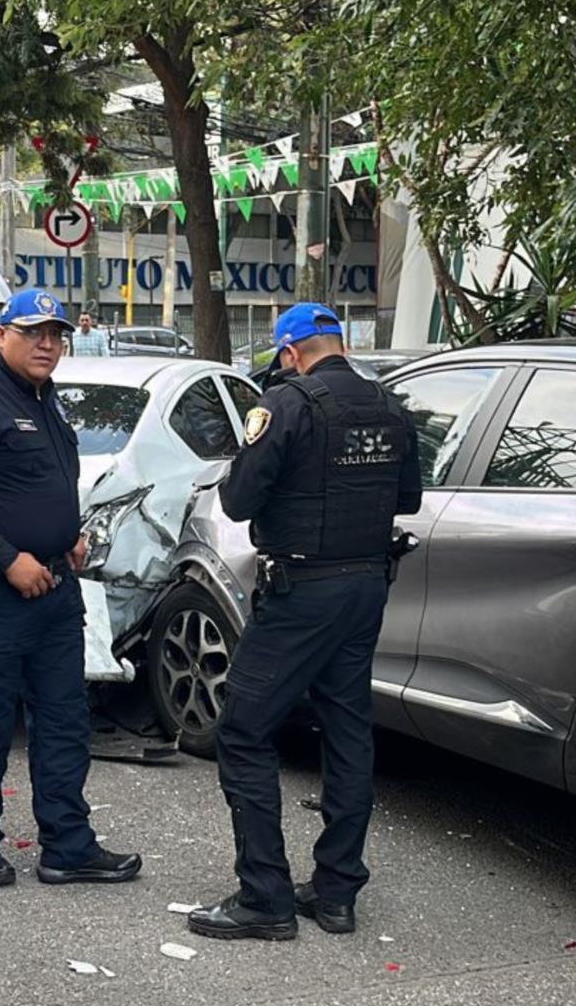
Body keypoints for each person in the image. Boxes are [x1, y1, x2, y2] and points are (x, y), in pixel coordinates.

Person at [188, 303, 421, 942]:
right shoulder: (389, 406)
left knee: (242, 728)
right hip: (366, 587)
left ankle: (264, 896)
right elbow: (408, 497)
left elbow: (236, 501)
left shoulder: (286, 405)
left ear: (291, 353)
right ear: (339, 345)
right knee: (347, 731)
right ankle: (337, 891)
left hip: (301, 593)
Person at [0, 287, 141, 890]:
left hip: (53, 580)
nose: (47, 344)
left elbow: (36, 483)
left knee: (65, 719)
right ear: (0, 335)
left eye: (56, 334)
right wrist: (8, 557)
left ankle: (68, 845)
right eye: (32, 332)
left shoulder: (45, 397)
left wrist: (64, 537)